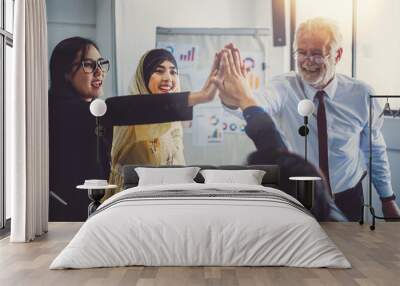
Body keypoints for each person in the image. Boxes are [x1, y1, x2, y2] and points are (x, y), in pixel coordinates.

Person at [221, 17, 400, 221]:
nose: (308, 61)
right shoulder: (283, 86)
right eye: (302, 53)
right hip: (299, 194)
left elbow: (373, 149)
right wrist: (236, 99)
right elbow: (261, 103)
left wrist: (387, 198)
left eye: (316, 54)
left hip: (348, 195)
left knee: (348, 250)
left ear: (338, 55)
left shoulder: (361, 94)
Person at [49, 37, 220, 221]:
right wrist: (197, 97)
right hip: (80, 212)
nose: (99, 72)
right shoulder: (64, 110)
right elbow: (121, 109)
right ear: (65, 72)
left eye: (101, 64)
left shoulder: (169, 125)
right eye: (89, 65)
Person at [213, 47, 347, 221]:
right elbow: (273, 146)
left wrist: (244, 99)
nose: (308, 60)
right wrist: (243, 100)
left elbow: (272, 147)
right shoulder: (329, 215)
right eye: (302, 52)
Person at [107, 49, 185, 196]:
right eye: (159, 71)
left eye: (173, 72)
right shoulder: (128, 111)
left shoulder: (173, 120)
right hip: (130, 197)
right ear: (143, 77)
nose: (168, 78)